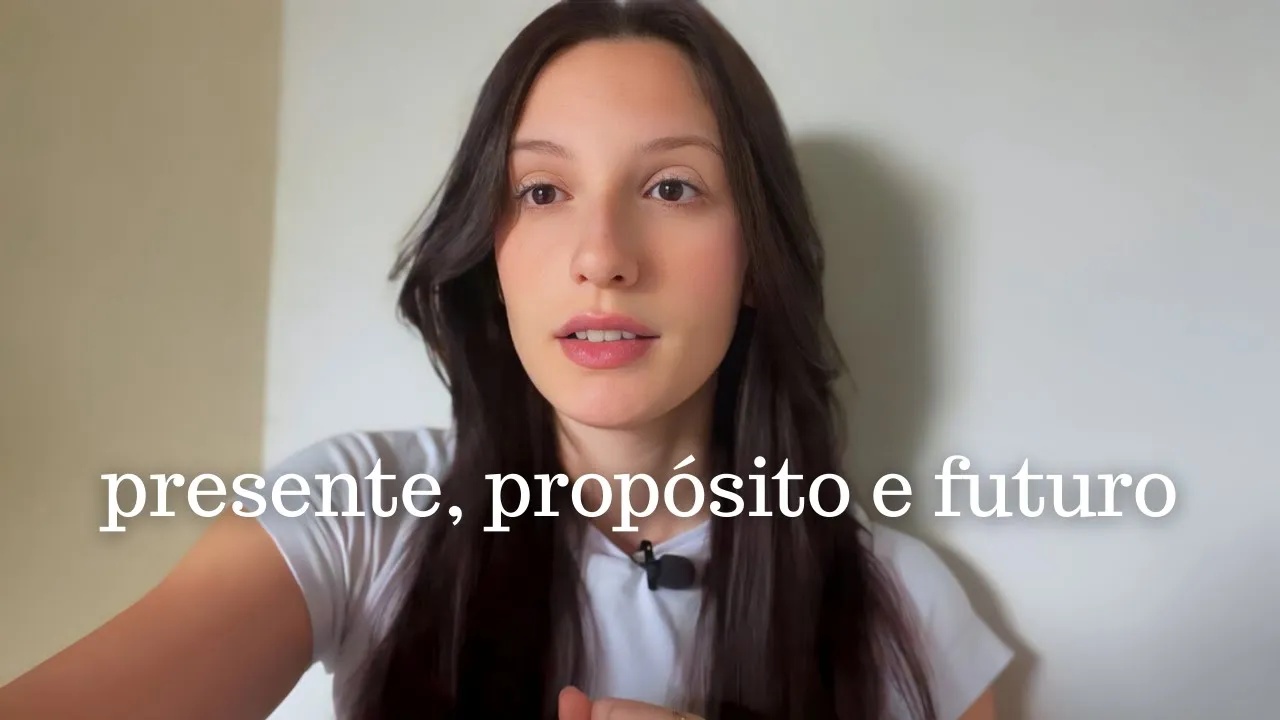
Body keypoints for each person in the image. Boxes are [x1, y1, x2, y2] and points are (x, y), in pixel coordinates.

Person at [0, 1, 1013, 718]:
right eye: (541, 192)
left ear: (756, 261)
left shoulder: (903, 608)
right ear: (490, 255)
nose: (601, 257)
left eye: (671, 188)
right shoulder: (360, 511)